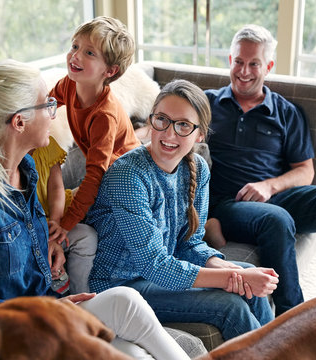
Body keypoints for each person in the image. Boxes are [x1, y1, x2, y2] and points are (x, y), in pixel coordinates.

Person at [0, 59, 190, 360]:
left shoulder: (26, 171)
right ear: (19, 122)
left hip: (44, 319)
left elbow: (27, 272)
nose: (55, 111)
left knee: (127, 312)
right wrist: (39, 313)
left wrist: (51, 278)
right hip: (4, 340)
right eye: (47, 104)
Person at [205, 24, 316, 318]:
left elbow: (305, 172)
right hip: (231, 203)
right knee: (276, 219)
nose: (244, 71)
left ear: (269, 66)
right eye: (238, 61)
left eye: (254, 63)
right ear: (230, 60)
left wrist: (270, 186)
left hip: (280, 196)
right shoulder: (207, 103)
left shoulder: (286, 112)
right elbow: (165, 126)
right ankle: (292, 318)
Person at [86, 79, 279, 341]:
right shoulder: (127, 175)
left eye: (183, 125)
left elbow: (189, 244)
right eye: (162, 120)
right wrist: (229, 277)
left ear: (200, 134)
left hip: (159, 274)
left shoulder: (198, 169)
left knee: (246, 277)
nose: (169, 134)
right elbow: (153, 264)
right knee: (232, 305)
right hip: (121, 285)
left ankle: (282, 348)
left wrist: (229, 269)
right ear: (150, 120)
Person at [49, 16, 141, 240]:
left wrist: (67, 223)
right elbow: (46, 105)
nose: (75, 55)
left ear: (110, 71)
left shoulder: (104, 115)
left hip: (129, 178)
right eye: (75, 46)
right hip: (108, 173)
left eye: (89, 53)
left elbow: (94, 175)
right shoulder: (68, 84)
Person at [30, 136, 97, 295]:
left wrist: (56, 223)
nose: (51, 115)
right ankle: (54, 279)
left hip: (54, 215)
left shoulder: (46, 143)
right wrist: (47, 236)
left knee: (86, 236)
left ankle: (81, 295)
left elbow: (56, 188)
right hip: (30, 227)